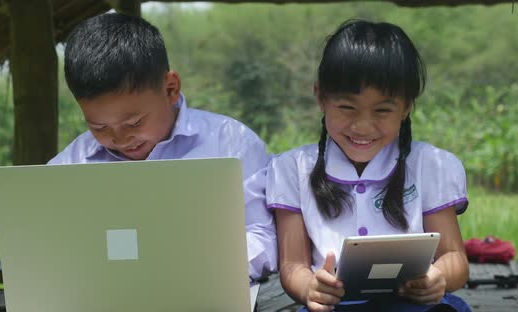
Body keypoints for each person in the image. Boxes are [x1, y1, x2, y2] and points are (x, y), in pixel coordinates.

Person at [48, 12, 277, 281]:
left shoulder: (232, 144)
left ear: (171, 89)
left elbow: (263, 235)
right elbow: (53, 247)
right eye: (100, 128)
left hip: (207, 289)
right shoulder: (67, 169)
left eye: (134, 123)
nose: (121, 140)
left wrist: (205, 271)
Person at [266, 20, 470, 312]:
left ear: (407, 106)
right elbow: (292, 265)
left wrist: (438, 277)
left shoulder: (430, 164)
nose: (362, 126)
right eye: (347, 108)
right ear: (321, 97)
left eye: (382, 110)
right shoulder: (291, 169)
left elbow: (455, 259)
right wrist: (309, 287)